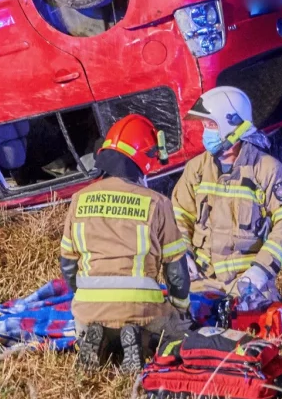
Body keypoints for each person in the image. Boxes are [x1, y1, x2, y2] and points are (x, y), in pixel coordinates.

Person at [59, 114, 191, 372]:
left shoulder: (78, 199)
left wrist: (85, 297)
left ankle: (100, 336)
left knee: (98, 319)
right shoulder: (157, 202)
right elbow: (176, 271)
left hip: (88, 310)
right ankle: (139, 339)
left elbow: (67, 264)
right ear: (143, 158)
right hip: (142, 309)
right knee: (179, 333)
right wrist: (181, 309)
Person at [171, 87, 282, 312]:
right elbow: (177, 216)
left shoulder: (267, 170)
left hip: (248, 286)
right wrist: (182, 255)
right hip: (202, 282)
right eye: (205, 126)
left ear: (232, 126)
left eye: (211, 125)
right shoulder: (196, 169)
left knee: (249, 334)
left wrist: (259, 272)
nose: (206, 133)